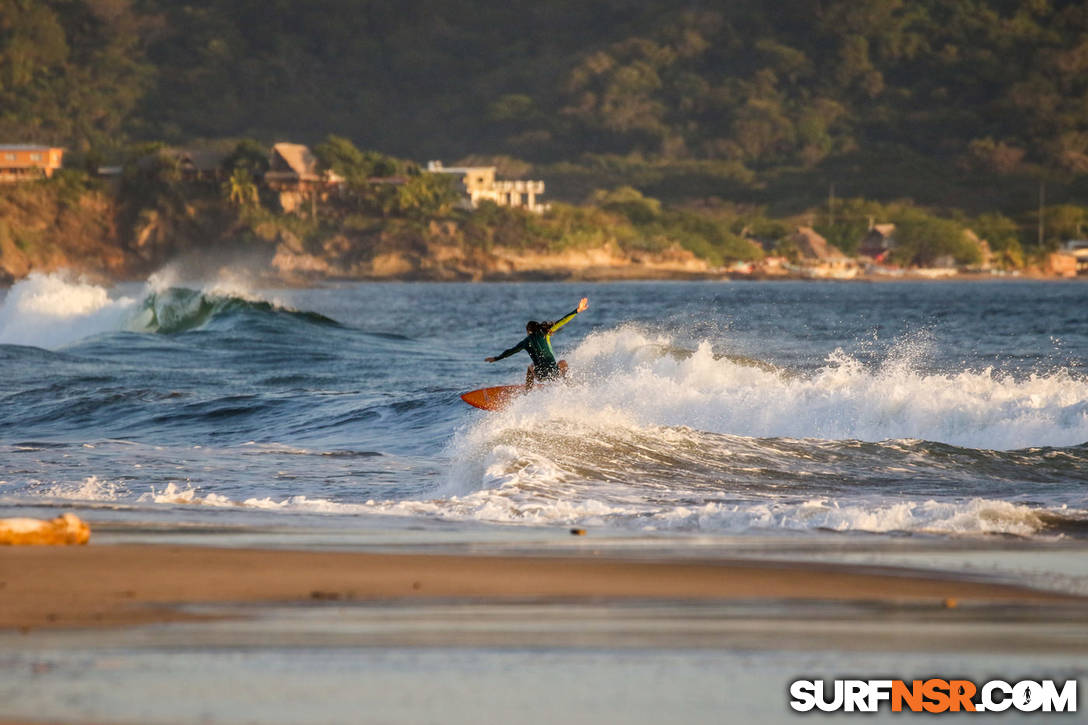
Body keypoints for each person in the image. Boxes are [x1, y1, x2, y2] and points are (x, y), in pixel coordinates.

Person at [486, 297, 589, 388]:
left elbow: (511, 351)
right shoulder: (545, 332)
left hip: (540, 376)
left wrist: (496, 358)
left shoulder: (525, 342)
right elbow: (562, 321)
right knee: (563, 363)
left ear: (528, 331)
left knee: (530, 367)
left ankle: (527, 391)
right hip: (554, 373)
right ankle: (569, 385)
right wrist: (577, 310)